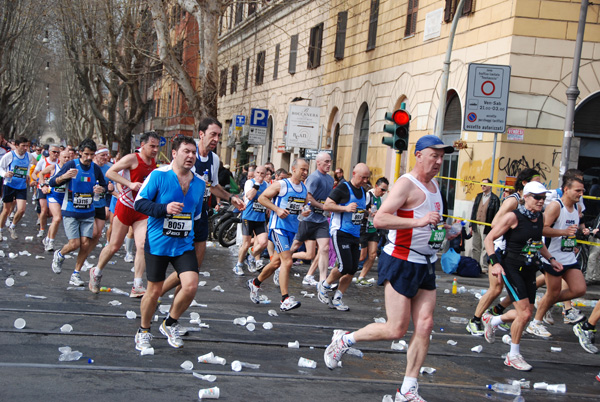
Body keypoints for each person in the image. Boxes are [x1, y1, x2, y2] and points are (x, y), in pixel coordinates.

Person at [323, 135, 455, 401]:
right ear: (418, 155)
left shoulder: (435, 187)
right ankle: (344, 341)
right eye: (434, 155)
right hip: (400, 260)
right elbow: (381, 218)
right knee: (396, 329)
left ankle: (408, 389)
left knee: (426, 325)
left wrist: (446, 231)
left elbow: (429, 223)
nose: (439, 161)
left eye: (442, 157)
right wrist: (418, 222)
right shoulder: (407, 184)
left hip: (426, 263)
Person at [132, 136, 205, 350]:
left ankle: (169, 322)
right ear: (174, 154)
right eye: (186, 151)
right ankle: (144, 330)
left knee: (190, 285)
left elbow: (198, 216)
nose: (191, 156)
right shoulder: (158, 175)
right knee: (153, 291)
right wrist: (164, 209)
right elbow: (139, 203)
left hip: (183, 244)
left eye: (194, 152)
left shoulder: (200, 183)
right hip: (158, 243)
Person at [160, 118, 244, 298]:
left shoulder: (214, 159)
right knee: (166, 262)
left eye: (219, 136)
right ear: (201, 134)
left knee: (193, 267)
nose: (216, 139)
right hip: (178, 215)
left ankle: (177, 300)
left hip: (200, 215)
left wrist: (231, 197)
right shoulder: (188, 153)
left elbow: (212, 186)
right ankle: (154, 293)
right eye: (212, 134)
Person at [482, 181, 562, 371]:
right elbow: (489, 238)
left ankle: (492, 320)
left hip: (529, 268)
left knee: (524, 314)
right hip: (511, 267)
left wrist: (551, 259)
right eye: (537, 197)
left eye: (543, 197)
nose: (541, 201)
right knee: (525, 313)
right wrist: (495, 263)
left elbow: (537, 242)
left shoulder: (540, 218)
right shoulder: (513, 217)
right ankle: (513, 355)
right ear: (525, 197)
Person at [466, 168, 541, 336]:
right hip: (501, 249)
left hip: (519, 255)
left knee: (519, 291)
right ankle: (475, 320)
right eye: (536, 182)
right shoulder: (513, 201)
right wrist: (512, 229)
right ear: (525, 184)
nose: (539, 187)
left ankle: (495, 314)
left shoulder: (532, 204)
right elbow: (495, 224)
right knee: (496, 289)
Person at [88, 132, 160, 296]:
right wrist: (130, 184)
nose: (155, 150)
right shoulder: (132, 158)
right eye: (152, 146)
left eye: (157, 146)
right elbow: (110, 173)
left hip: (141, 210)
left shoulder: (153, 162)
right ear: (142, 145)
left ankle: (137, 285)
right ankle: (96, 272)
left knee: (142, 245)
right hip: (125, 206)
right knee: (114, 246)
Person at [526, 176, 588, 338]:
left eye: (582, 191)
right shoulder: (556, 206)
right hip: (553, 257)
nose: (580, 194)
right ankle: (536, 323)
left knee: (579, 289)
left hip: (568, 257)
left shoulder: (576, 208)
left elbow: (570, 230)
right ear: (566, 189)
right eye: (577, 190)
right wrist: (563, 233)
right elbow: (541, 229)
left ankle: (545, 302)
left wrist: (572, 243)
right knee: (553, 293)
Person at [247, 158, 310, 311]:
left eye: (307, 170)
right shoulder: (282, 184)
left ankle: (255, 283)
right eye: (302, 169)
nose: (305, 173)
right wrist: (277, 209)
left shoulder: (303, 189)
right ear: (293, 169)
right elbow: (262, 198)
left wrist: (304, 212)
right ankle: (285, 299)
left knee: (276, 262)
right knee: (287, 262)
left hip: (291, 229)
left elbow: (300, 207)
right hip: (278, 228)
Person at [49, 139, 107, 286]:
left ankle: (76, 273)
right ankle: (60, 254)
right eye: (86, 154)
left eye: (91, 154)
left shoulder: (95, 169)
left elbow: (105, 186)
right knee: (74, 244)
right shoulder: (71, 165)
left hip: (88, 212)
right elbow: (52, 182)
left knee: (85, 244)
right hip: (71, 211)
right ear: (80, 152)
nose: (88, 157)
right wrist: (65, 176)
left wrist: (101, 190)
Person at [317, 163, 370, 311]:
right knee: (344, 266)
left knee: (352, 269)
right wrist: (344, 208)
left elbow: (358, 211)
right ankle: (324, 286)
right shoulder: (343, 188)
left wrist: (368, 214)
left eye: (367, 178)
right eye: (363, 177)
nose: (365, 181)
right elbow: (327, 206)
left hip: (355, 233)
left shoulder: (363, 192)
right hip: (340, 231)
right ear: (354, 173)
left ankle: (338, 298)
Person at [292, 152, 334, 287]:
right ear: (318, 163)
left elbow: (328, 198)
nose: (329, 164)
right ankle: (279, 264)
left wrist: (330, 206)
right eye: (326, 162)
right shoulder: (314, 178)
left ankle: (321, 280)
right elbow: (308, 197)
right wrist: (322, 206)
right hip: (309, 218)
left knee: (325, 248)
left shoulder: (330, 179)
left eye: (330, 161)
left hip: (321, 220)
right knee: (295, 246)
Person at [234, 165, 269, 275]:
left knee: (264, 243)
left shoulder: (267, 185)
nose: (259, 175)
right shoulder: (250, 183)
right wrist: (257, 184)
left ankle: (251, 256)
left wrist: (268, 208)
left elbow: (268, 198)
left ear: (265, 175)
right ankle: (238, 265)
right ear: (254, 173)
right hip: (249, 216)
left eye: (262, 173)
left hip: (260, 217)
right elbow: (249, 196)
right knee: (246, 244)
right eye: (257, 173)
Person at [0, 136, 36, 240]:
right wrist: (5, 173)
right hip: (9, 185)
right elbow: (0, 167)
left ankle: (12, 226)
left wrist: (29, 176)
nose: (25, 148)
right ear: (16, 146)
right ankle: (0, 230)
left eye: (27, 146)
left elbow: (30, 166)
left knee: (21, 210)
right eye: (23, 146)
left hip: (21, 186)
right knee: (6, 210)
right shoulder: (9, 155)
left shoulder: (28, 156)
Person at [356, 177, 389, 286]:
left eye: (385, 190)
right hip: (363, 228)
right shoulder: (368, 195)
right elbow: (359, 209)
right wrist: (367, 212)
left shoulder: (380, 199)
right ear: (376, 186)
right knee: (361, 256)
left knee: (373, 254)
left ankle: (361, 277)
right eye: (382, 189)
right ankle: (341, 266)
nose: (383, 192)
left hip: (373, 229)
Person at [39, 149, 71, 251]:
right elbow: (41, 174)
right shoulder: (53, 167)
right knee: (57, 218)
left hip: (65, 197)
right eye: (64, 157)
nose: (66, 159)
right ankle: (51, 242)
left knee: (56, 220)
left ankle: (47, 238)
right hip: (53, 195)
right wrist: (43, 185)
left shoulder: (72, 169)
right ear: (59, 158)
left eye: (68, 157)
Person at [469, 178, 500, 270]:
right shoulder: (478, 196)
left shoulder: (495, 199)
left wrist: (494, 227)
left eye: (484, 185)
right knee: (475, 246)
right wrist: (471, 224)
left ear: (490, 186)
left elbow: (496, 214)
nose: (482, 187)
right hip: (476, 224)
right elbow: (474, 211)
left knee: (485, 247)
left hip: (486, 225)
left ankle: (484, 266)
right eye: (481, 185)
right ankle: (475, 264)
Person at [32, 144, 60, 239]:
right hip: (42, 188)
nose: (56, 154)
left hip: (54, 190)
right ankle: (42, 229)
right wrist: (38, 181)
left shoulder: (60, 163)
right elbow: (34, 174)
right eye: (54, 152)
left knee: (52, 213)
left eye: (57, 152)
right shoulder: (43, 162)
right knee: (44, 210)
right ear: (49, 152)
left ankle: (50, 231)